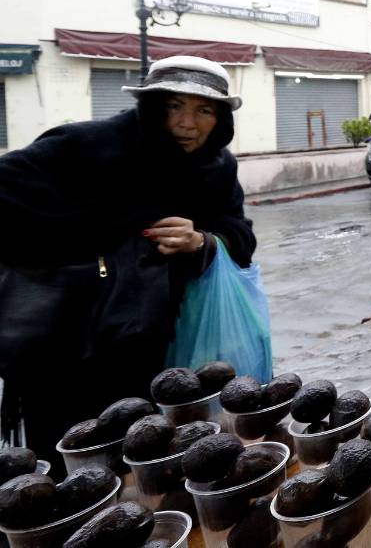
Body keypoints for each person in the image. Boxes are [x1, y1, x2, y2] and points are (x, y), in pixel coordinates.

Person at [0, 55, 256, 466]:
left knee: (134, 454)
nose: (187, 124)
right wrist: (100, 236)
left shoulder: (217, 167)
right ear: (152, 108)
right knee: (64, 463)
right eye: (173, 106)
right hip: (63, 345)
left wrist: (201, 241)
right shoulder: (90, 146)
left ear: (221, 117)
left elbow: (241, 237)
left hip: (148, 345)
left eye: (203, 110)